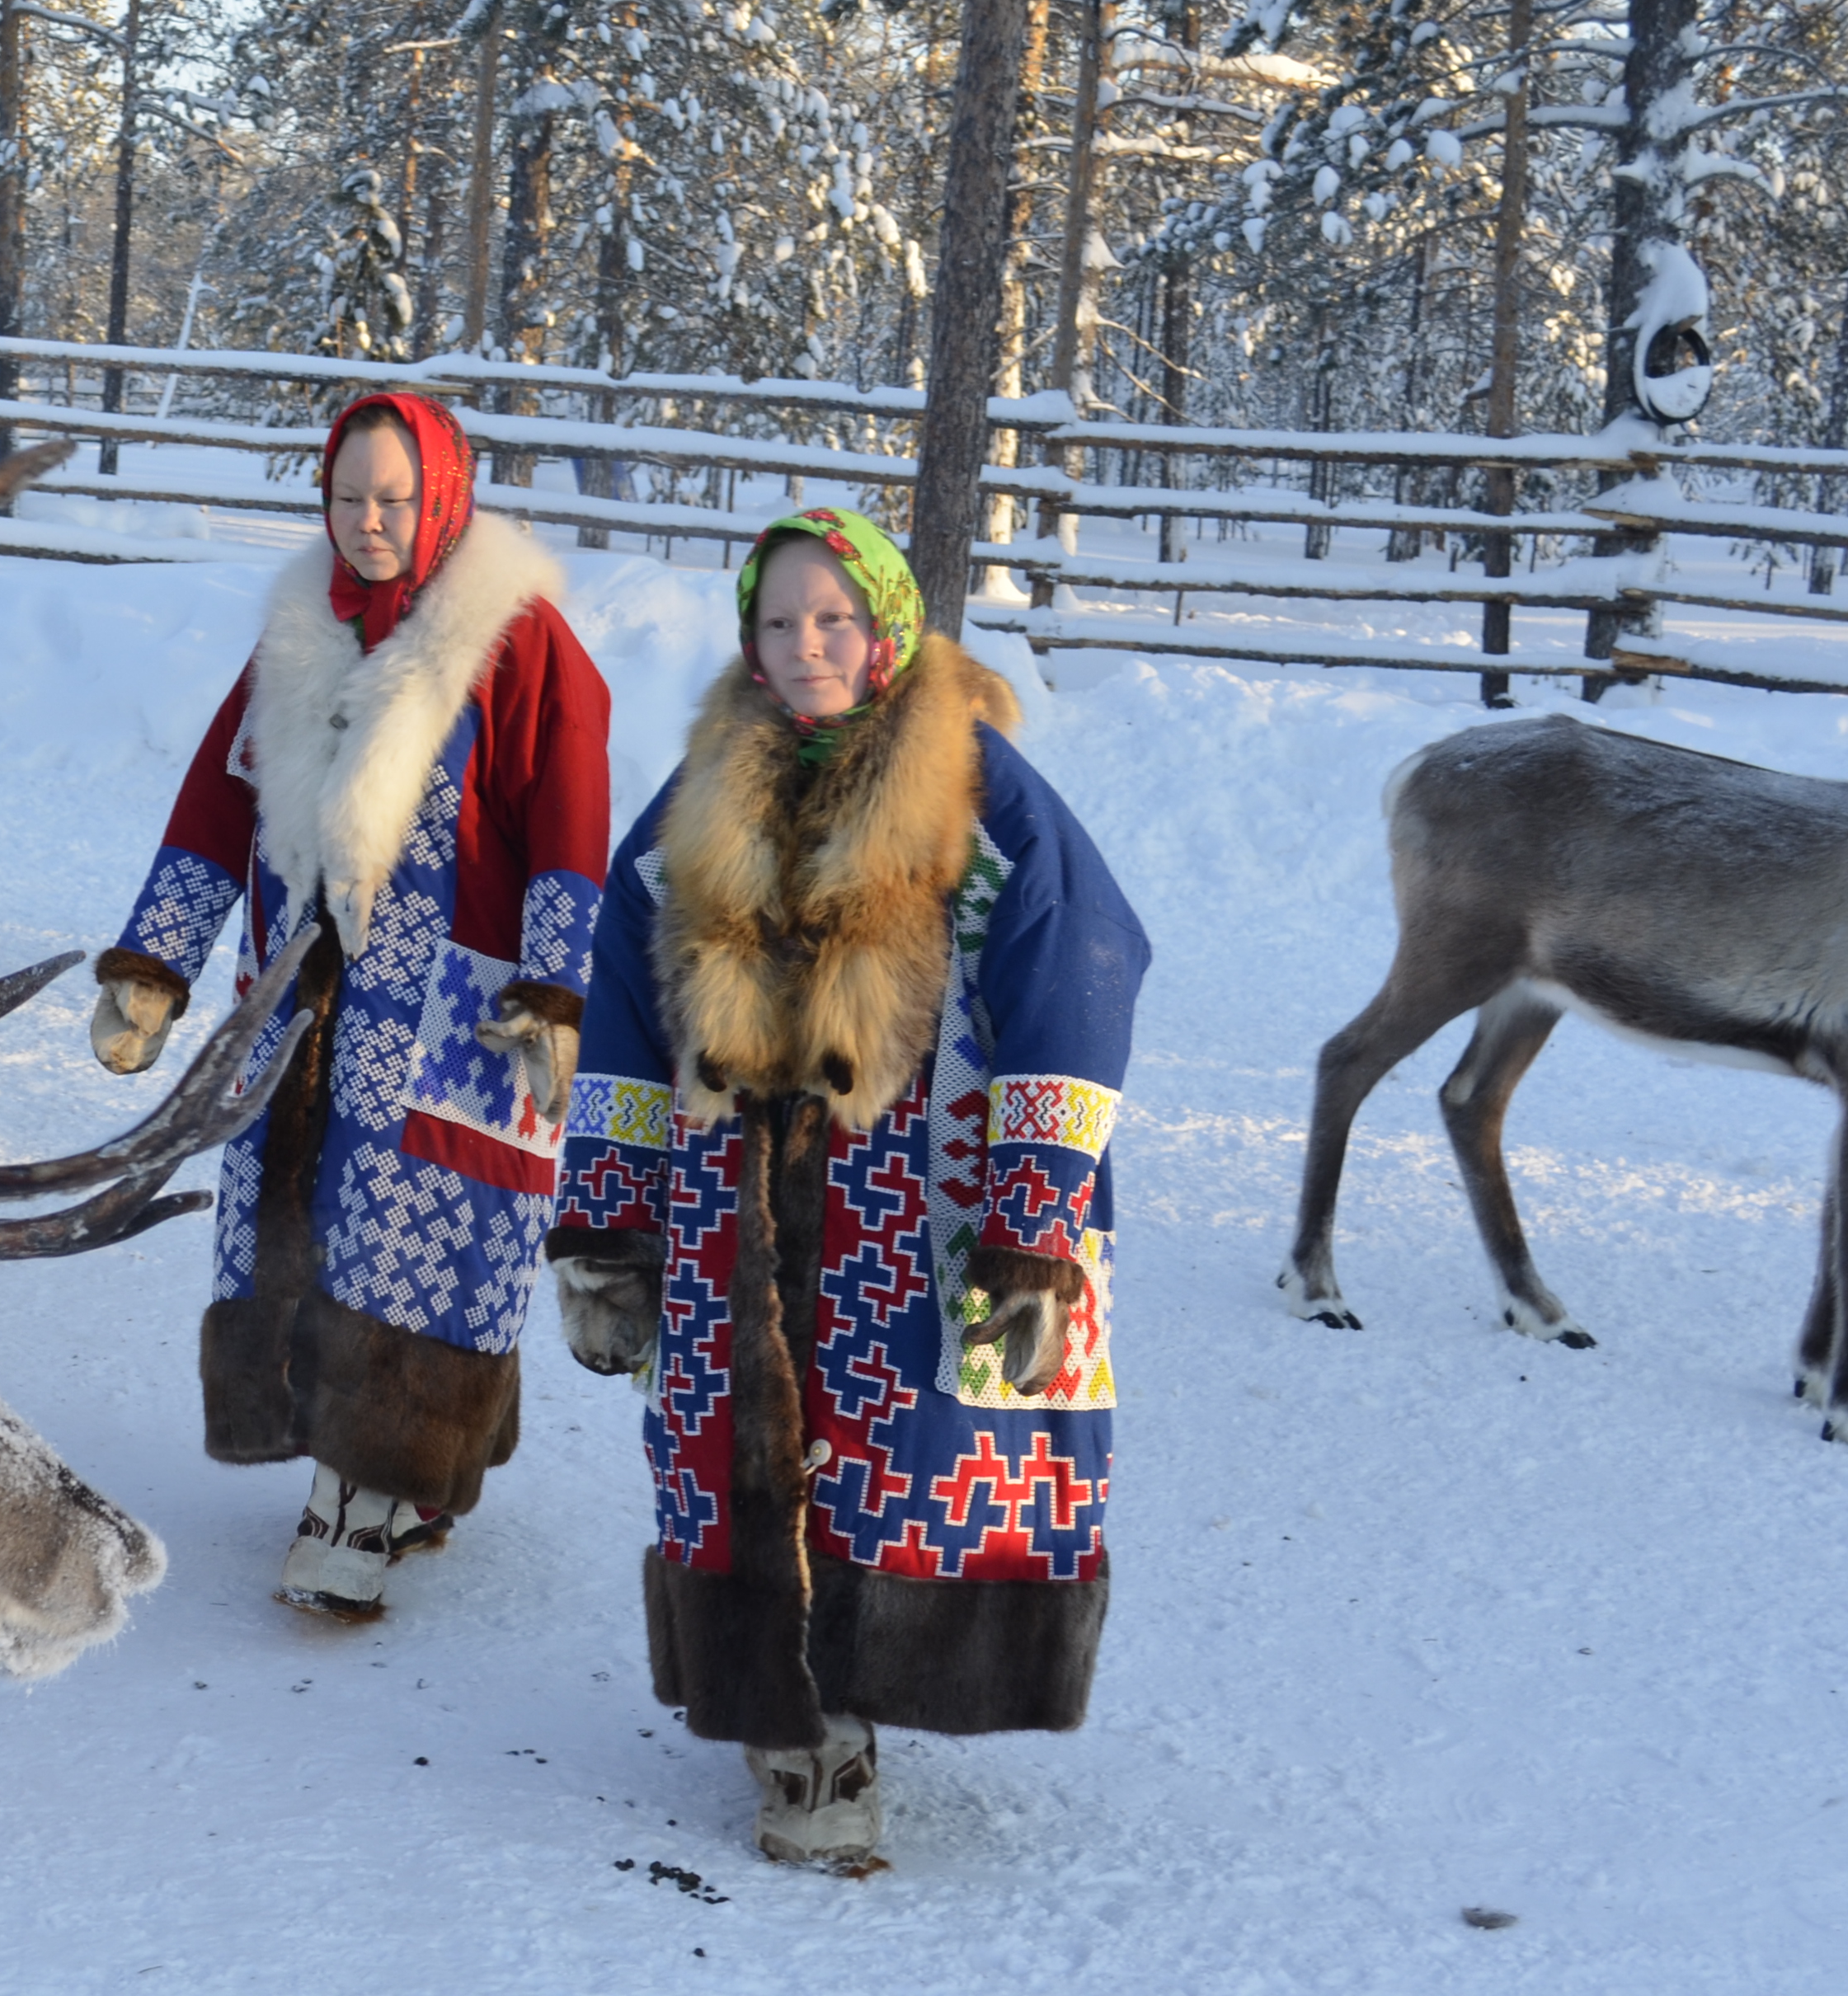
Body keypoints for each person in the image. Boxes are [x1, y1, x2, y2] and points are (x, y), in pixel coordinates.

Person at [549, 510, 1149, 1870]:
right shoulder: (699, 788)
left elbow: (1080, 975)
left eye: (831, 620)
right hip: (728, 1206)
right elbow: (624, 1001)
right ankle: (799, 1740)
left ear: (884, 629)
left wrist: (1034, 1225)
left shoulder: (977, 790)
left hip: (909, 1203)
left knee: (891, 1467)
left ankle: (862, 1685)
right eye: (775, 622)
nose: (803, 646)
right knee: (735, 1455)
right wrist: (605, 1224)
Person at [91, 391, 614, 1621]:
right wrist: (156, 964)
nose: (368, 524)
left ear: (443, 497)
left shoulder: (519, 640)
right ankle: (414, 1468)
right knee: (311, 1225)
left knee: (418, 1241)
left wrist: (556, 987)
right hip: (308, 1001)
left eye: (393, 500)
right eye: (345, 499)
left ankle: (363, 1502)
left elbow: (568, 827)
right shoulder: (300, 628)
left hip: (463, 1016)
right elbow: (220, 802)